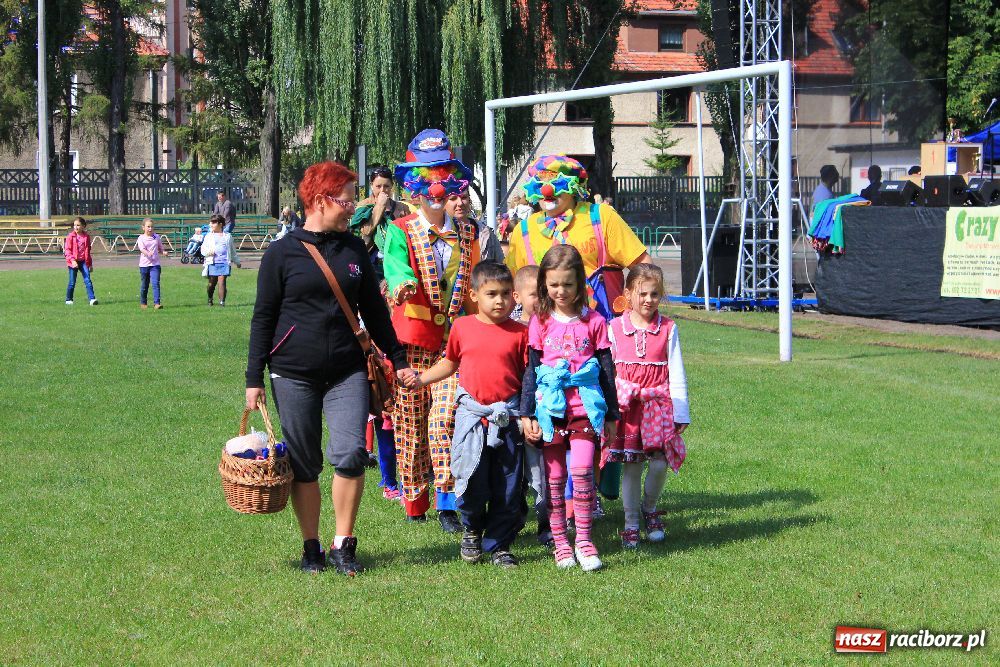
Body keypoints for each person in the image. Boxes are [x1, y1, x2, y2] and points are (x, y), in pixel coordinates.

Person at [245, 161, 411, 575]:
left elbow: (374, 310)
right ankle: (311, 546)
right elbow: (263, 317)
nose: (354, 206)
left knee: (352, 453)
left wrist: (399, 358)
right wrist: (254, 379)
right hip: (292, 372)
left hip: (347, 371)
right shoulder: (282, 252)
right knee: (304, 462)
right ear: (320, 201)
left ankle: (343, 543)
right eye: (347, 199)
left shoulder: (354, 249)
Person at [381, 129, 484, 530]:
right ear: (414, 187)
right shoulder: (401, 229)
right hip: (410, 345)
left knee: (445, 418)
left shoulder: (468, 231)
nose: (437, 190)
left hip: (452, 345)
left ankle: (446, 500)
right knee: (410, 422)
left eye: (442, 176)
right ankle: (415, 501)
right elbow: (394, 264)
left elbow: (474, 284)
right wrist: (403, 281)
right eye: (428, 179)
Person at [414, 262, 528, 568]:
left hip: (508, 418)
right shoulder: (463, 328)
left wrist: (528, 415)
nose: (500, 300)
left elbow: (529, 377)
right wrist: (421, 379)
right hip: (472, 419)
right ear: (474, 294)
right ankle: (473, 529)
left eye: (506, 294)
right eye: (492, 293)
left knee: (507, 483)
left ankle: (500, 544)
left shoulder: (521, 333)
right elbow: (449, 363)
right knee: (472, 479)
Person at [519, 245, 620, 572]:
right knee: (555, 477)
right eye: (553, 285)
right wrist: (527, 413)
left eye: (568, 284)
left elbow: (606, 369)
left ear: (580, 284)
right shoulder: (541, 322)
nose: (561, 292)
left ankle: (585, 540)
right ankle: (561, 542)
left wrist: (613, 414)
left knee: (582, 471)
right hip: (550, 410)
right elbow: (531, 370)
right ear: (544, 285)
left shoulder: (594, 321)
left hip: (585, 409)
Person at [607, 264, 689, 549]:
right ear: (628, 294)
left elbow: (676, 370)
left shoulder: (668, 328)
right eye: (642, 293)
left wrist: (680, 411)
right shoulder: (615, 328)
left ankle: (650, 508)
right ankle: (630, 523)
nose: (648, 300)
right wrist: (612, 405)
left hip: (658, 407)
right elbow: (609, 371)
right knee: (631, 466)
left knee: (659, 463)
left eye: (655, 294)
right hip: (628, 409)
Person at [505, 155, 650, 314]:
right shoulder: (523, 230)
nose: (547, 191)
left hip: (600, 327)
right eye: (539, 185)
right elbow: (511, 287)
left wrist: (630, 308)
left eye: (557, 184)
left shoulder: (601, 217)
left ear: (574, 186)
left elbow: (643, 265)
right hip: (544, 331)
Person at [512, 264, 551, 546]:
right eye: (532, 293)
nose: (538, 298)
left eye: (542, 292)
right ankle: (513, 515)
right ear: (517, 297)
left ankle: (545, 523)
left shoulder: (553, 324)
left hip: (541, 406)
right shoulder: (510, 326)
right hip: (512, 405)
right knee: (513, 469)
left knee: (540, 470)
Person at [201, 214, 241, 306]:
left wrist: (237, 262)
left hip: (224, 262)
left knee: (222, 281)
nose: (211, 224)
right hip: (212, 263)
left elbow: (232, 250)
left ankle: (222, 302)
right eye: (211, 222)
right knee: (211, 284)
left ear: (220, 224)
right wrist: (209, 252)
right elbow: (203, 250)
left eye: (214, 222)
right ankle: (210, 298)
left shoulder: (228, 236)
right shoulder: (208, 236)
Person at [64, 216, 97, 306]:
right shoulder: (70, 236)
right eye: (74, 225)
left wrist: (90, 264)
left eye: (78, 225)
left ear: (83, 226)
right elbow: (67, 250)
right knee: (72, 282)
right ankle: (69, 299)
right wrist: (72, 260)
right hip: (73, 262)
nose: (76, 227)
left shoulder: (86, 237)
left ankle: (92, 299)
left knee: (88, 280)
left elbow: (88, 251)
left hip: (83, 262)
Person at [136, 218, 166, 310]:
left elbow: (160, 248)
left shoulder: (156, 237)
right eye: (148, 226)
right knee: (145, 284)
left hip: (155, 265)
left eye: (152, 226)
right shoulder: (141, 238)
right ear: (143, 227)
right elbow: (142, 249)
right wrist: (148, 253)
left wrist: (163, 252)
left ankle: (157, 303)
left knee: (155, 283)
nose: (150, 228)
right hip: (144, 265)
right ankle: (143, 302)